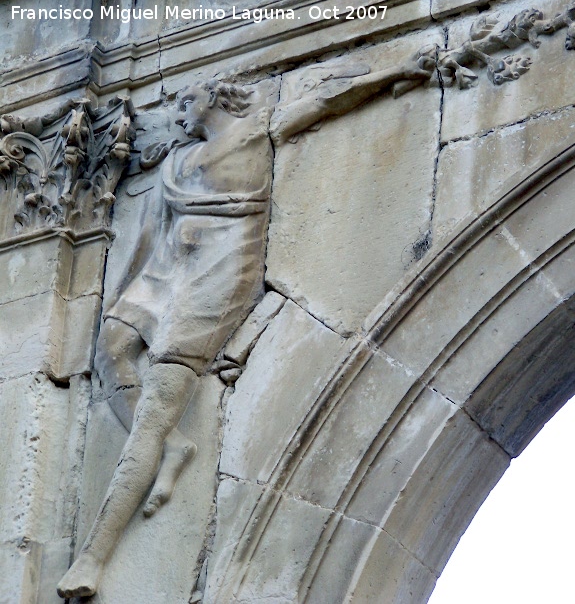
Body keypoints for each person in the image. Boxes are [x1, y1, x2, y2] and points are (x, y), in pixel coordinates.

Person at [57, 52, 434, 599]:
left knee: (156, 409)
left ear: (214, 97)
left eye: (187, 101)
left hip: (216, 271)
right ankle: (174, 446)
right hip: (168, 268)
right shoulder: (182, 158)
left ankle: (94, 554)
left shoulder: (256, 131)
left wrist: (393, 72)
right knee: (111, 346)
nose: (178, 112)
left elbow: (324, 101)